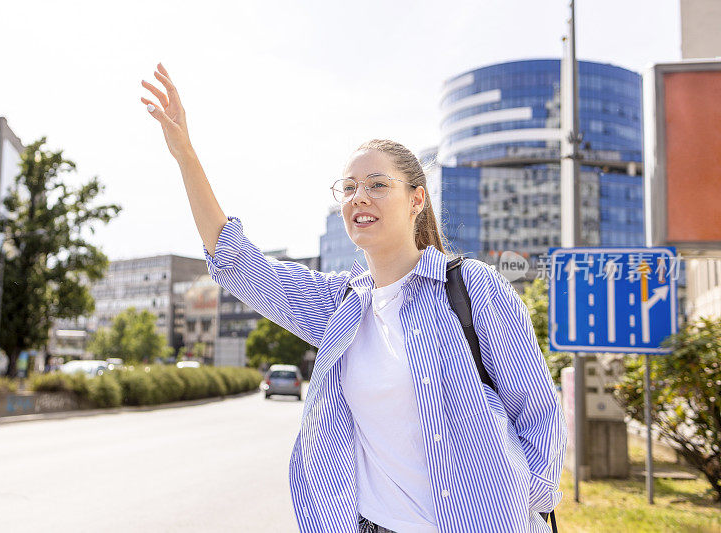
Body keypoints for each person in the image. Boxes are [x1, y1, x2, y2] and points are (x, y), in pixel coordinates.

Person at [141, 62, 567, 533]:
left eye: (378, 185)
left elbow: (539, 413)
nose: (359, 196)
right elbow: (237, 263)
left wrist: (522, 505)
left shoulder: (474, 288)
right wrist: (185, 155)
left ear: (416, 200)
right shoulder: (340, 305)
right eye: (349, 188)